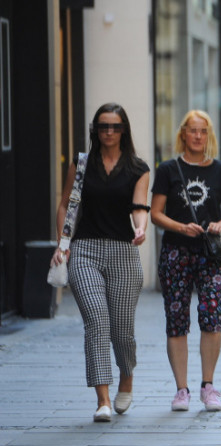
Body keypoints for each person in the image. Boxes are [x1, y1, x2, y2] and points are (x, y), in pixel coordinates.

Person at [51, 103, 150, 422]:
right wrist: (63, 244)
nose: (109, 132)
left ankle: (127, 377)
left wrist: (141, 228)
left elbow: (139, 205)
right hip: (85, 251)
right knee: (97, 321)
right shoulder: (81, 164)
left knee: (122, 331)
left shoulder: (138, 167)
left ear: (124, 130)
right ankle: (103, 399)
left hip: (123, 251)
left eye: (115, 127)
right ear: (95, 130)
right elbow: (67, 204)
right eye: (103, 127)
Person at [151, 109, 221, 412]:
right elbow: (156, 213)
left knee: (211, 313)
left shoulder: (220, 170)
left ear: (209, 135)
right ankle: (181, 390)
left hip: (209, 253)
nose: (198, 136)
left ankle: (208, 385)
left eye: (203, 131)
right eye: (193, 130)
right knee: (176, 318)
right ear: (183, 134)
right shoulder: (168, 170)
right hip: (176, 251)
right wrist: (179, 226)